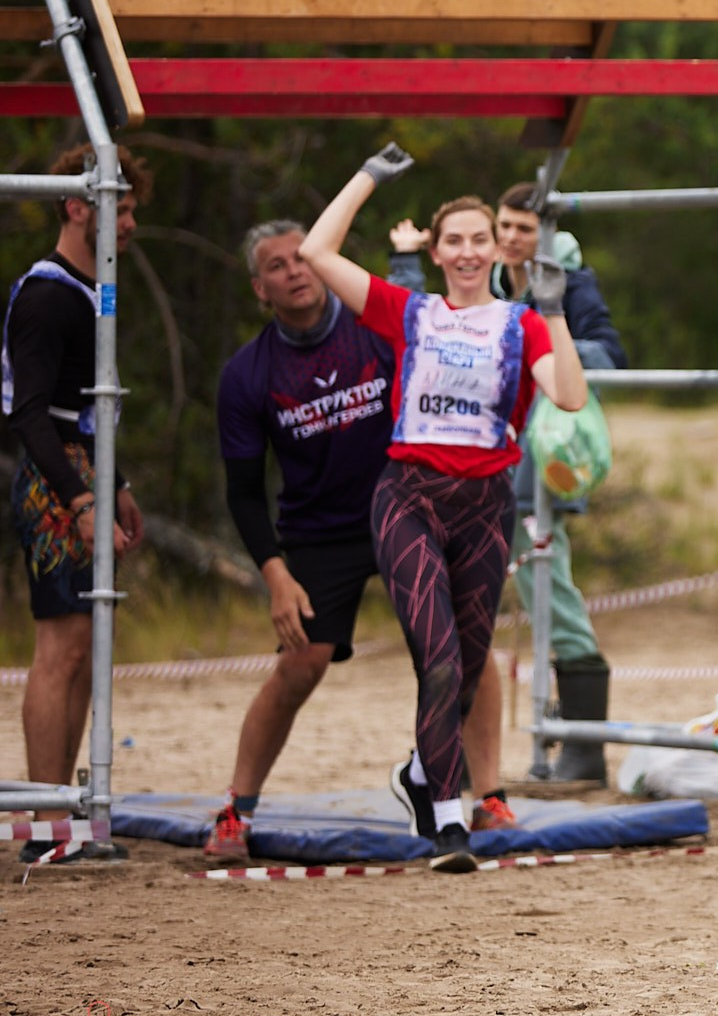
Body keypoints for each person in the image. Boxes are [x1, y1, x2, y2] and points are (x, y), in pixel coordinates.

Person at [297, 144, 587, 874]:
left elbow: (572, 395)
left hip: (485, 505)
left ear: (496, 248)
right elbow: (315, 249)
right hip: (409, 497)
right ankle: (448, 819)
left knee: (463, 664)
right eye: (452, 240)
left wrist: (552, 310)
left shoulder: (520, 324)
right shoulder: (410, 311)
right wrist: (367, 175)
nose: (465, 251)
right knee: (439, 655)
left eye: (478, 240)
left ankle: (421, 774)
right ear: (434, 250)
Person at [206, 219, 517, 862]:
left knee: (466, 643)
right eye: (276, 264)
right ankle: (237, 809)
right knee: (303, 662)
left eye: (302, 256)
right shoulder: (247, 373)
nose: (294, 270)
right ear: (259, 286)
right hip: (323, 533)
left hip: (412, 506)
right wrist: (276, 576)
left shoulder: (376, 329)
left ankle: (487, 795)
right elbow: (243, 491)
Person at [391, 180, 626, 782]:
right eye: (508, 227)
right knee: (467, 617)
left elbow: (608, 355)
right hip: (477, 470)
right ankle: (461, 759)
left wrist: (544, 337)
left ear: (547, 235)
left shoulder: (570, 282)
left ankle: (581, 743)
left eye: (527, 228)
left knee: (553, 591)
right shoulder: (487, 285)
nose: (515, 239)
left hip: (539, 470)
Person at [5, 143, 146, 864]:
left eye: (129, 209)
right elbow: (30, 414)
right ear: (74, 203)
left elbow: (91, 406)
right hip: (53, 476)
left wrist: (116, 485)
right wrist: (80, 493)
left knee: (88, 641)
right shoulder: (46, 293)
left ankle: (66, 815)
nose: (127, 222)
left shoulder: (98, 290)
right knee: (58, 647)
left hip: (87, 470)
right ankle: (42, 820)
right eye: (115, 207)